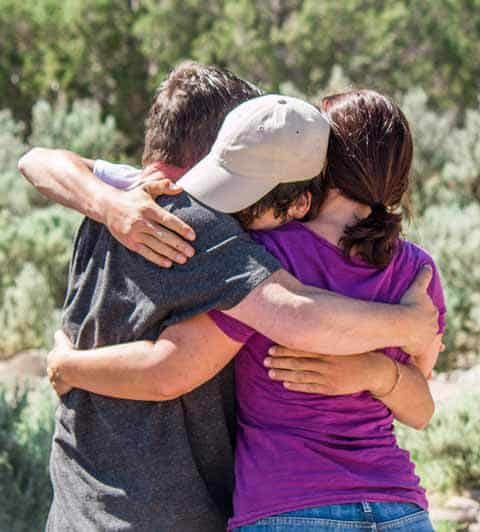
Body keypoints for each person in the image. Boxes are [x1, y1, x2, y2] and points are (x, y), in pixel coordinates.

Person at [18, 62, 439, 532]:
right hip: (377, 505)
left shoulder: (129, 193)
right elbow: (303, 323)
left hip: (90, 505)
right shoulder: (215, 227)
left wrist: (106, 207)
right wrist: (406, 330)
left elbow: (37, 159)